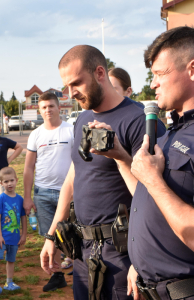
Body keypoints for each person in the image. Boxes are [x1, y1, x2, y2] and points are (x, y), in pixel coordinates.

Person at [40, 45, 166, 300]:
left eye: (77, 83)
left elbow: (157, 195)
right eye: (66, 86)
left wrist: (142, 259)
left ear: (99, 73)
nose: (71, 92)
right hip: (82, 250)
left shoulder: (140, 121)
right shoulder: (82, 120)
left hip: (123, 254)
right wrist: (52, 235)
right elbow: (73, 178)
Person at [105, 26, 194, 300]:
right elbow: (155, 201)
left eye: (159, 74)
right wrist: (120, 157)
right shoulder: (174, 131)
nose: (153, 83)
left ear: (192, 70)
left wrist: (153, 179)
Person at [24, 91, 74, 292]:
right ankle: (57, 275)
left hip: (70, 192)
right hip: (43, 193)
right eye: (43, 107)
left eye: (51, 106)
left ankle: (79, 270)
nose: (47, 110)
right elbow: (28, 167)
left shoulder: (71, 130)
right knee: (50, 236)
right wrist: (27, 197)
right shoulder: (36, 134)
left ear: (58, 107)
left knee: (73, 234)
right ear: (39, 110)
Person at [0, 167, 27, 295]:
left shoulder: (20, 199)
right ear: (1, 183)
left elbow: (23, 218)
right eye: (6, 181)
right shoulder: (0, 199)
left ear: (16, 180)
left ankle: (9, 282)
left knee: (11, 260)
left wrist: (24, 234)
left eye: (12, 180)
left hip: (14, 237)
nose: (9, 184)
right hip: (1, 238)